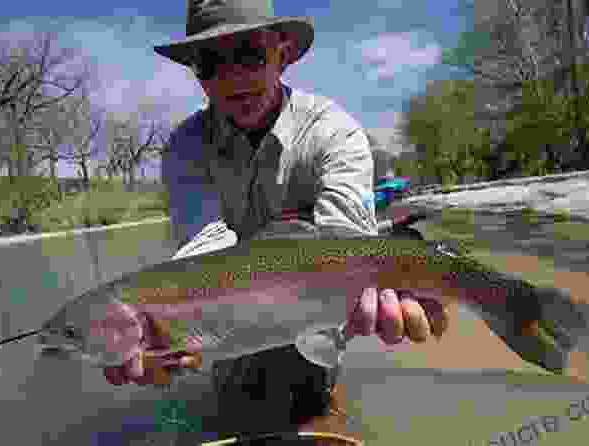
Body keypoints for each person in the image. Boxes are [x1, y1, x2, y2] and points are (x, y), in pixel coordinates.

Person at [102, 0, 447, 444]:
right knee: (238, 404)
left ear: (282, 53)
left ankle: (322, 397)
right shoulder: (184, 147)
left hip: (319, 302)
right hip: (229, 307)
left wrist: (396, 287)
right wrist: (175, 334)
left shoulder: (333, 131)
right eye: (210, 63)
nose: (232, 78)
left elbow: (348, 244)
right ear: (195, 71)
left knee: (309, 400)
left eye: (249, 54)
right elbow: (203, 251)